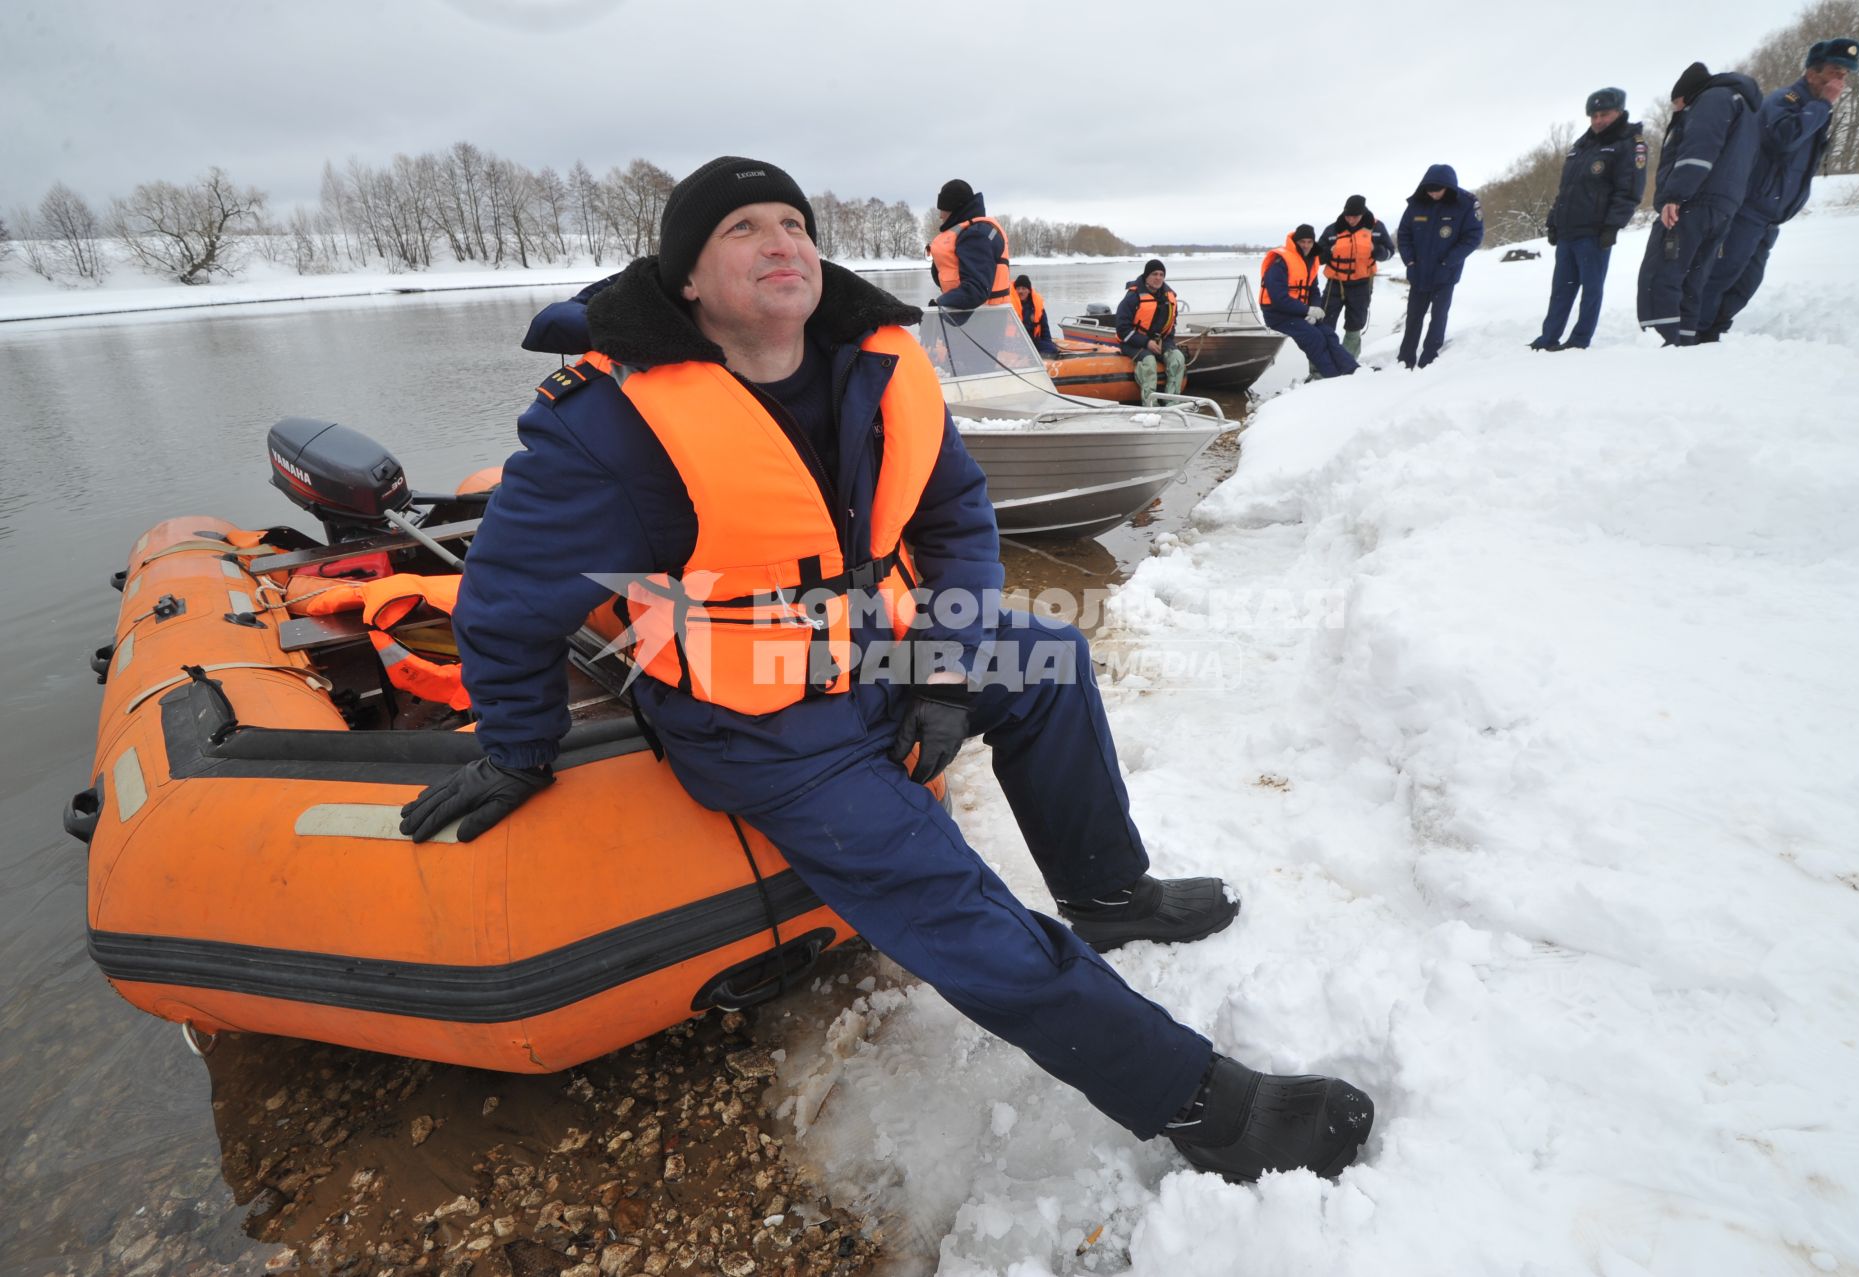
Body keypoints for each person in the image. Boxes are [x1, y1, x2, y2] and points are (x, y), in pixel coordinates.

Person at [400, 156, 1375, 1182]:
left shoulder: (878, 367)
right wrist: (516, 747)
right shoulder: (605, 422)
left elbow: (955, 515)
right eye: (743, 228)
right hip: (756, 716)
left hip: (889, 648)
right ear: (686, 279)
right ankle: (1201, 1104)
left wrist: (944, 676)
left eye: (794, 221)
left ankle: (1109, 890)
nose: (782, 241)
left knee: (1046, 657)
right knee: (954, 895)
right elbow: (505, 599)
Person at [1695, 37, 1859, 342]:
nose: (1840, 81)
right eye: (1836, 72)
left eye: (1845, 75)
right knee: (1720, 276)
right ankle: (1694, 336)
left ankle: (1713, 332)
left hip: (1772, 217)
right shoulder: (1784, 101)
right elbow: (1784, 138)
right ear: (1813, 73)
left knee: (1746, 284)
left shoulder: (1813, 109)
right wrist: (1823, 105)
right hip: (1748, 210)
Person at [1635, 61, 1762, 345]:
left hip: (1694, 201)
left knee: (1661, 275)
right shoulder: (1746, 109)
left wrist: (1674, 195)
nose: (1675, 111)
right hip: (1724, 206)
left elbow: (1699, 148)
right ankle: (1686, 346)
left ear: (1686, 95)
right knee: (1693, 281)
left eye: (1676, 104)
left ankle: (1659, 346)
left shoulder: (1712, 100)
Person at [1530, 88, 1647, 351]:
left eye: (1604, 114)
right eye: (1594, 115)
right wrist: (1553, 220)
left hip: (1595, 233)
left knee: (1590, 291)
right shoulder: (1581, 146)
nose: (1598, 120)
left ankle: (1579, 340)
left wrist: (1612, 225)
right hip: (1568, 231)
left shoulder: (1629, 143)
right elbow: (1566, 190)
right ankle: (1548, 337)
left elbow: (1629, 191)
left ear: (1619, 112)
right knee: (1561, 290)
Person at [1395, 164, 1484, 369]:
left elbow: (1473, 237)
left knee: (1439, 315)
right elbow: (1404, 235)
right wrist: (1409, 261)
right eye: (1430, 190)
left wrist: (1448, 261)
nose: (1433, 194)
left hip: (1446, 272)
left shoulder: (1467, 204)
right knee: (1414, 316)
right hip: (1418, 271)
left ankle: (1429, 357)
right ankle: (1405, 358)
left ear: (1448, 187)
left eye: (1438, 190)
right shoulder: (1416, 204)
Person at [1261, 222, 1359, 380]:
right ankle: (1333, 377)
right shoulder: (1280, 263)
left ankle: (1352, 370)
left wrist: (1314, 308)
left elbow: (1313, 289)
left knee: (1328, 333)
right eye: (1302, 242)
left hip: (1299, 312)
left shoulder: (1311, 260)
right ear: (1295, 242)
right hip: (1278, 315)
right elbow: (1279, 299)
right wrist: (1307, 310)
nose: (1306, 246)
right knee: (1314, 337)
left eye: (1309, 242)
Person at [1315, 195, 1396, 359]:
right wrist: (1328, 253)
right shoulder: (1333, 229)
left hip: (1362, 284)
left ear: (1363, 213)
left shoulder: (1377, 228)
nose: (1351, 219)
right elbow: (1317, 258)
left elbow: (1389, 252)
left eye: (1355, 216)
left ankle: (1347, 362)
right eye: (1348, 216)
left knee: (1354, 325)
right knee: (1323, 323)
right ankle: (1319, 369)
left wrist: (1377, 251)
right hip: (1335, 284)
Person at [928, 179, 1012, 310]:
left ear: (954, 209)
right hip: (973, 319)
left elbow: (976, 290)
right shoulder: (969, 232)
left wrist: (940, 302)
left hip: (985, 318)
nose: (940, 216)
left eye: (943, 209)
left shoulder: (977, 234)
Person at [1112, 259, 1189, 401]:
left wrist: (1166, 341)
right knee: (1148, 362)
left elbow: (1172, 323)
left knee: (1177, 359)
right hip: (1133, 342)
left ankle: (1171, 403)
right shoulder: (1132, 297)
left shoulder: (1169, 297)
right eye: (1154, 274)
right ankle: (1150, 405)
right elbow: (1122, 329)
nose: (1158, 277)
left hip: (1160, 340)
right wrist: (1147, 342)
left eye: (1161, 274)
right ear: (1146, 276)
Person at [1013, 274, 1058, 353]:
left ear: (1029, 290)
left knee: (1052, 349)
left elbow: (1045, 328)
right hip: (1016, 343)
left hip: (1033, 341)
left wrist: (1048, 343)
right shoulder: (1010, 306)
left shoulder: (1037, 306)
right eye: (1018, 288)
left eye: (1023, 288)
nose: (1020, 291)